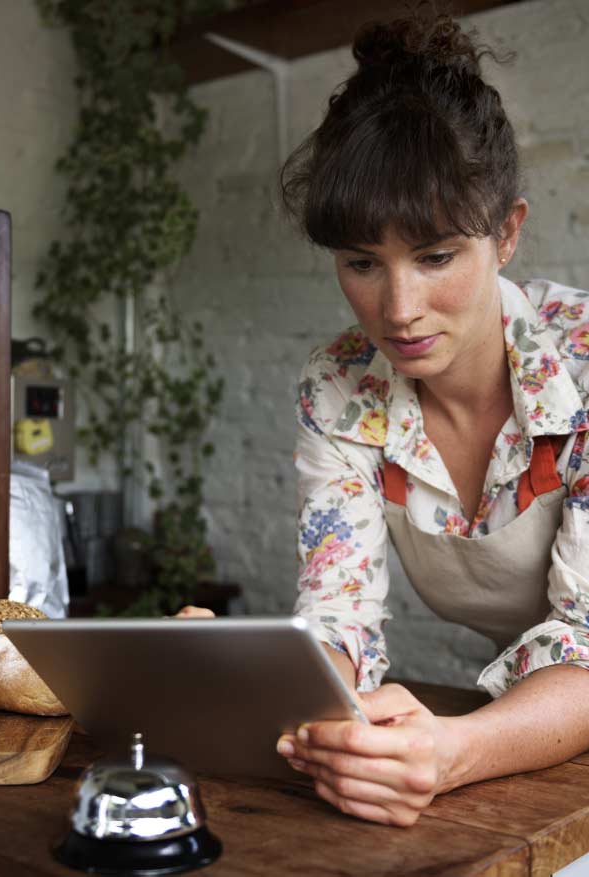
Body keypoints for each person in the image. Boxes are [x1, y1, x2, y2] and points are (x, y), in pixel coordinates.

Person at [181, 6, 589, 826]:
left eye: (436, 255)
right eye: (362, 262)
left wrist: (452, 750)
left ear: (506, 233)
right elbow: (339, 612)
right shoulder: (339, 385)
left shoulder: (582, 364)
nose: (398, 309)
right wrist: (281, 681)